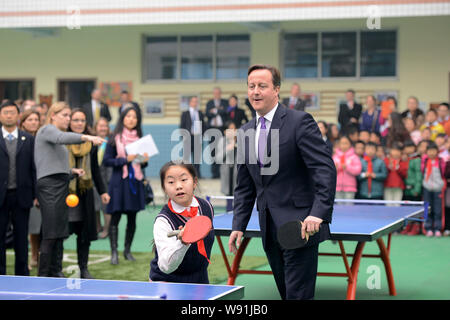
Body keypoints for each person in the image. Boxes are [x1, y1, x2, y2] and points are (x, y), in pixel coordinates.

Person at [228, 64, 336, 300]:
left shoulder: (300, 121)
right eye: (251, 86)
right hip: (269, 226)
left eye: (262, 86)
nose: (256, 91)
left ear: (276, 90)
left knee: (298, 294)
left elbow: (324, 169)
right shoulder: (245, 131)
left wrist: (318, 212)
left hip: (301, 225)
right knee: (286, 292)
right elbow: (245, 185)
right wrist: (239, 224)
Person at [34, 101, 105, 277]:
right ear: (53, 116)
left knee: (59, 232)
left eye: (68, 115)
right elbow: (61, 138)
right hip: (49, 186)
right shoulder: (47, 130)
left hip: (61, 182)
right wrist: (88, 137)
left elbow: (53, 163)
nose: (68, 119)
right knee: (51, 233)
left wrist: (71, 171)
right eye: (65, 115)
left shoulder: (56, 134)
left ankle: (56, 271)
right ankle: (42, 276)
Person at [149, 161, 214, 283]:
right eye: (171, 182)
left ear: (194, 182)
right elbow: (165, 267)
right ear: (164, 188)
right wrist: (183, 243)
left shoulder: (206, 207)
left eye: (184, 180)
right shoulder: (163, 221)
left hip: (200, 280)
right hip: (168, 282)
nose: (178, 186)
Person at [67, 109, 110, 278]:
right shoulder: (61, 141)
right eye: (75, 119)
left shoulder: (90, 144)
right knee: (60, 234)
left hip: (85, 194)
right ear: (70, 122)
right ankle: (55, 269)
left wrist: (103, 192)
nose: (79, 123)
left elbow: (95, 170)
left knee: (84, 234)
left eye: (82, 120)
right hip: (65, 194)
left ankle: (83, 268)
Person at [103, 106, 149, 265]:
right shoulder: (114, 137)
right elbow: (106, 161)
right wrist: (124, 160)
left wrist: (144, 160)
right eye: (128, 116)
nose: (131, 119)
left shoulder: (141, 138)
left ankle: (127, 251)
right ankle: (114, 252)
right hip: (118, 183)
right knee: (115, 218)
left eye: (134, 117)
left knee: (132, 218)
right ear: (123, 118)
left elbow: (142, 165)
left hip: (134, 182)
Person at [0, 100, 36, 276]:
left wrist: (35, 194)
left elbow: (33, 169)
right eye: (5, 112)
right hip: (1, 196)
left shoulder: (28, 139)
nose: (8, 115)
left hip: (22, 195)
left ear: (18, 116)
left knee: (21, 238)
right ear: (0, 116)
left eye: (12, 112)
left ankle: (22, 275)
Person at [19, 109, 41, 269]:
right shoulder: (20, 140)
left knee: (43, 226)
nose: (33, 122)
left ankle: (42, 256)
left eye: (36, 119)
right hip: (26, 188)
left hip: (43, 184)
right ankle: (33, 256)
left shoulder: (42, 139)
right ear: (23, 122)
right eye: (30, 119)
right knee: (32, 225)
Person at [93, 117, 113, 239]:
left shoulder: (111, 142)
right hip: (94, 177)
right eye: (100, 126)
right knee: (94, 204)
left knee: (106, 206)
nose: (103, 128)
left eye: (105, 126)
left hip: (107, 177)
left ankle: (106, 229)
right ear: (96, 128)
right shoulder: (92, 141)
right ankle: (97, 226)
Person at [421, 141, 445, 237]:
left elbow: (443, 173)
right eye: (429, 151)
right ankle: (428, 228)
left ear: (437, 151)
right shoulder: (425, 161)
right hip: (427, 188)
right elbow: (422, 171)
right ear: (426, 152)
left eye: (433, 151)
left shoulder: (440, 161)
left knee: (437, 209)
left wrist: (441, 185)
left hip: (438, 188)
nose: (431, 153)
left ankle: (438, 229)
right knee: (427, 208)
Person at [401, 140, 423, 235]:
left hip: (414, 188)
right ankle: (408, 226)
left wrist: (417, 189)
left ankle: (416, 227)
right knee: (407, 209)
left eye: (410, 147)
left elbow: (418, 175)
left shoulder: (417, 160)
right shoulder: (405, 159)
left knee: (415, 209)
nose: (408, 149)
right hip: (406, 188)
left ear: (414, 148)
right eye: (406, 147)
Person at [205, 87, 228, 179]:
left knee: (222, 151)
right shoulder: (209, 103)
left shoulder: (225, 102)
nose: (217, 94)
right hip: (212, 130)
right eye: (215, 93)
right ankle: (215, 174)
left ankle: (222, 174)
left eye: (218, 93)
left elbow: (225, 111)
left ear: (220, 93)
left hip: (222, 130)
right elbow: (207, 114)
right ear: (213, 94)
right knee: (213, 151)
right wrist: (218, 110)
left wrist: (214, 110)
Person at [180, 96, 205, 178]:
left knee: (197, 157)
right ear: (190, 103)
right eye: (193, 101)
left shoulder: (200, 113)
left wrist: (203, 135)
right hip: (188, 137)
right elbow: (182, 126)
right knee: (186, 157)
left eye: (196, 102)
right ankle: (186, 173)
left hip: (197, 137)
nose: (195, 103)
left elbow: (204, 125)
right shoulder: (185, 113)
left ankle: (197, 174)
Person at [216, 121, 238, 212]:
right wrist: (227, 149)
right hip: (227, 170)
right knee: (228, 192)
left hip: (237, 172)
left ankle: (237, 211)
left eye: (234, 129)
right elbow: (218, 158)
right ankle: (228, 210)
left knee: (237, 192)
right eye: (230, 129)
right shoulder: (222, 141)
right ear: (225, 131)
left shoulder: (241, 140)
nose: (232, 131)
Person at [333, 135, 362, 200]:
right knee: (339, 208)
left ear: (350, 144)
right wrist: (335, 168)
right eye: (342, 143)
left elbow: (358, 170)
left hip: (350, 187)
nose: (344, 145)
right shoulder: (335, 157)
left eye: (346, 143)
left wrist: (347, 167)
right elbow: (330, 172)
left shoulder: (354, 157)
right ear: (339, 144)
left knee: (349, 208)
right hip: (337, 187)